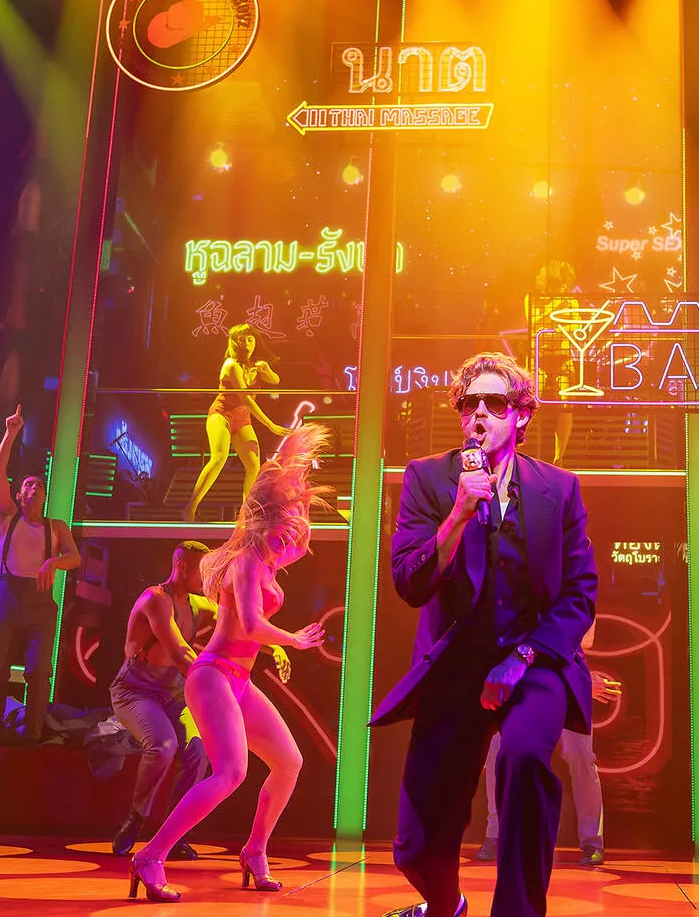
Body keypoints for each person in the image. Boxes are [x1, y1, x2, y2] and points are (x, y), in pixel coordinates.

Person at [373, 352, 597, 917]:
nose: (478, 413)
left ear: (521, 415)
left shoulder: (559, 489)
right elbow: (409, 583)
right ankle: (446, 905)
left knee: (523, 759)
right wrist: (457, 514)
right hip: (458, 662)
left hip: (534, 658)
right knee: (415, 845)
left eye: (494, 403)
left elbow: (580, 593)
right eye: (468, 403)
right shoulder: (428, 478)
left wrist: (523, 656)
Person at [127, 417, 331, 903]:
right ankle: (150, 855)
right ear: (265, 523)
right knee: (231, 773)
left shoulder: (272, 558)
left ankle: (254, 850)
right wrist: (292, 639)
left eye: (291, 533)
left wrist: (299, 484)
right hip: (212, 676)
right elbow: (253, 625)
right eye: (282, 531)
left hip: (239, 680)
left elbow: (303, 542)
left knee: (289, 762)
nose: (289, 542)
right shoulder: (245, 561)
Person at [111, 539, 272, 860]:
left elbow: (240, 619)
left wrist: (274, 645)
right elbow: (180, 652)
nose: (208, 578)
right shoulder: (155, 599)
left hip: (172, 692)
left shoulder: (197, 603)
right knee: (163, 745)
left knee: (198, 749)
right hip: (136, 691)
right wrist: (214, 680)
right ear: (182, 567)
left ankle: (174, 833)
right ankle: (135, 819)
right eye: (202, 571)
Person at [477, 626, 621, 866]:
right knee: (499, 748)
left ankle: (592, 840)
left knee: (582, 757)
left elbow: (584, 638)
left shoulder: (576, 599)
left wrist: (583, 681)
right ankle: (496, 833)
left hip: (567, 682)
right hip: (523, 683)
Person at [0, 405, 83, 746]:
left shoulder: (56, 526)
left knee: (39, 673)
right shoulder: (7, 517)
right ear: (20, 494)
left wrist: (53, 562)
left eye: (40, 485)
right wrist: (11, 433)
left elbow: (75, 558)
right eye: (29, 483)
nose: (35, 487)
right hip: (8, 597)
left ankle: (33, 737)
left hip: (40, 605)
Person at [186, 323, 291, 521]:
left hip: (243, 418)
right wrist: (270, 425)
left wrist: (266, 370)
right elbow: (246, 400)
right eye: (242, 340)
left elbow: (275, 380)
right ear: (234, 343)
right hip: (221, 414)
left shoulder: (254, 365)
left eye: (250, 339)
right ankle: (189, 509)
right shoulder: (231, 365)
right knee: (219, 458)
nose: (247, 344)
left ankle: (244, 514)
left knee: (253, 464)